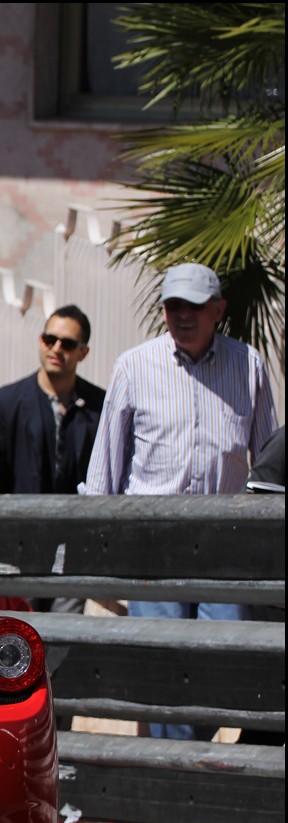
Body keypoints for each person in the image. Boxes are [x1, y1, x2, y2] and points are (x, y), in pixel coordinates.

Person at [82, 262, 280, 739]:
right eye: (173, 306)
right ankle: (173, 774)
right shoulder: (133, 366)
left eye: (194, 306)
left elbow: (270, 463)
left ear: (219, 310)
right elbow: (103, 472)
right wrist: (99, 552)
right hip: (154, 546)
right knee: (162, 671)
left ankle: (196, 767)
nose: (183, 316)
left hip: (225, 549)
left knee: (223, 665)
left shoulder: (249, 365)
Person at [0, 305, 104, 495]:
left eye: (67, 344)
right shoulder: (4, 403)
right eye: (49, 340)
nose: (56, 349)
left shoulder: (100, 406)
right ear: (40, 341)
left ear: (83, 353)